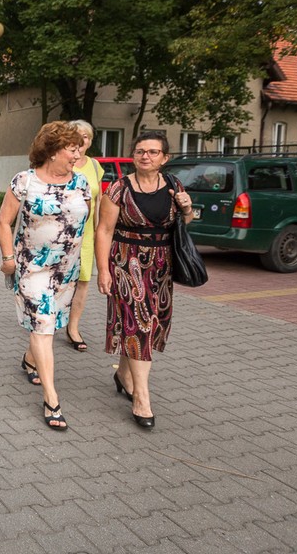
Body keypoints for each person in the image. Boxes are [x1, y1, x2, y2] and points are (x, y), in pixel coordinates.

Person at [95, 132, 194, 429]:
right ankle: (142, 398)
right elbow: (103, 230)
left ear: (164, 158)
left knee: (154, 323)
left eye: (152, 152)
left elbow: (184, 222)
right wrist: (103, 270)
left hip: (162, 265)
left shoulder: (174, 186)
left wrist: (187, 208)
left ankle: (123, 376)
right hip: (128, 263)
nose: (145, 156)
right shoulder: (118, 189)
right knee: (138, 325)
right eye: (140, 151)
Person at [0, 121, 90, 431]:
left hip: (66, 269)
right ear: (51, 152)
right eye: (71, 148)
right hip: (32, 266)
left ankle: (29, 358)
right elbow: (3, 221)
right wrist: (8, 258)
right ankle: (52, 399)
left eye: (78, 148)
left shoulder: (82, 184)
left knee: (46, 325)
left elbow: (89, 223)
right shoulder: (24, 181)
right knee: (44, 322)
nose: (77, 154)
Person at [64, 120, 105, 351]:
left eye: (86, 137)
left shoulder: (95, 165)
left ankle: (73, 328)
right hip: (63, 235)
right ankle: (48, 323)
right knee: (60, 281)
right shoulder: (61, 161)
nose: (82, 141)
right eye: (77, 135)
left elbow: (98, 201)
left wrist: (100, 231)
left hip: (87, 235)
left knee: (82, 281)